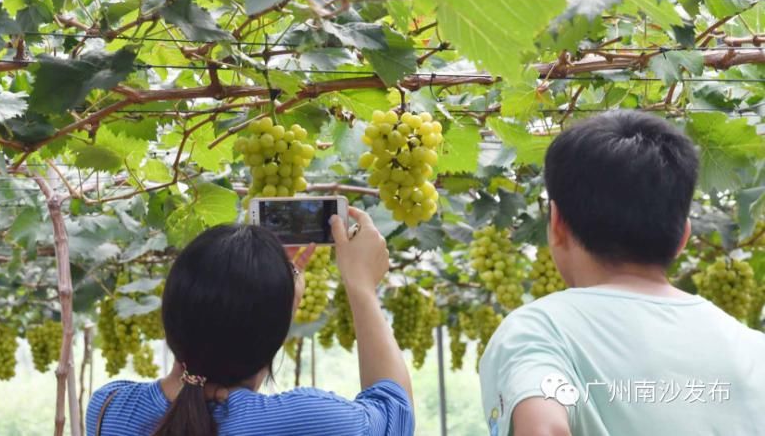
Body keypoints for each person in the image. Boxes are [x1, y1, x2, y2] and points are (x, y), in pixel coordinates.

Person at [478, 110, 765, 436]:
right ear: (683, 237)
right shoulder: (754, 348)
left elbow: (541, 429)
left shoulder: (539, 331)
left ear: (557, 224)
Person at [85, 207, 415, 436]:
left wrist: (276, 301)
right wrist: (361, 286)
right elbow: (394, 411)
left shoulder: (110, 408)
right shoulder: (315, 422)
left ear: (170, 311)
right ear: (274, 332)